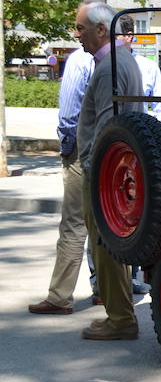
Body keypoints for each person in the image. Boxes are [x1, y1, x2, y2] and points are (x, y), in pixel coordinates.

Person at [74, 1, 144, 340]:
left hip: (105, 173)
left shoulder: (111, 66)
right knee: (108, 245)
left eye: (81, 29)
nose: (77, 36)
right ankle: (120, 314)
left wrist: (93, 171)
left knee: (103, 245)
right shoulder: (118, 61)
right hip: (115, 169)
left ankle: (119, 318)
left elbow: (106, 127)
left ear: (101, 30)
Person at [27, 44, 99, 315]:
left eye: (81, 28)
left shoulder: (80, 61)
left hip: (82, 147)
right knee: (106, 222)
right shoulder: (124, 60)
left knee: (73, 223)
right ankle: (108, 292)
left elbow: (69, 114)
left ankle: (59, 297)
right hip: (113, 148)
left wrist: (68, 147)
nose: (77, 34)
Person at [116, 14, 161, 127]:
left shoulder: (148, 67)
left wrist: (156, 136)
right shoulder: (98, 64)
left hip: (138, 135)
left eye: (115, 35)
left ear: (128, 36)